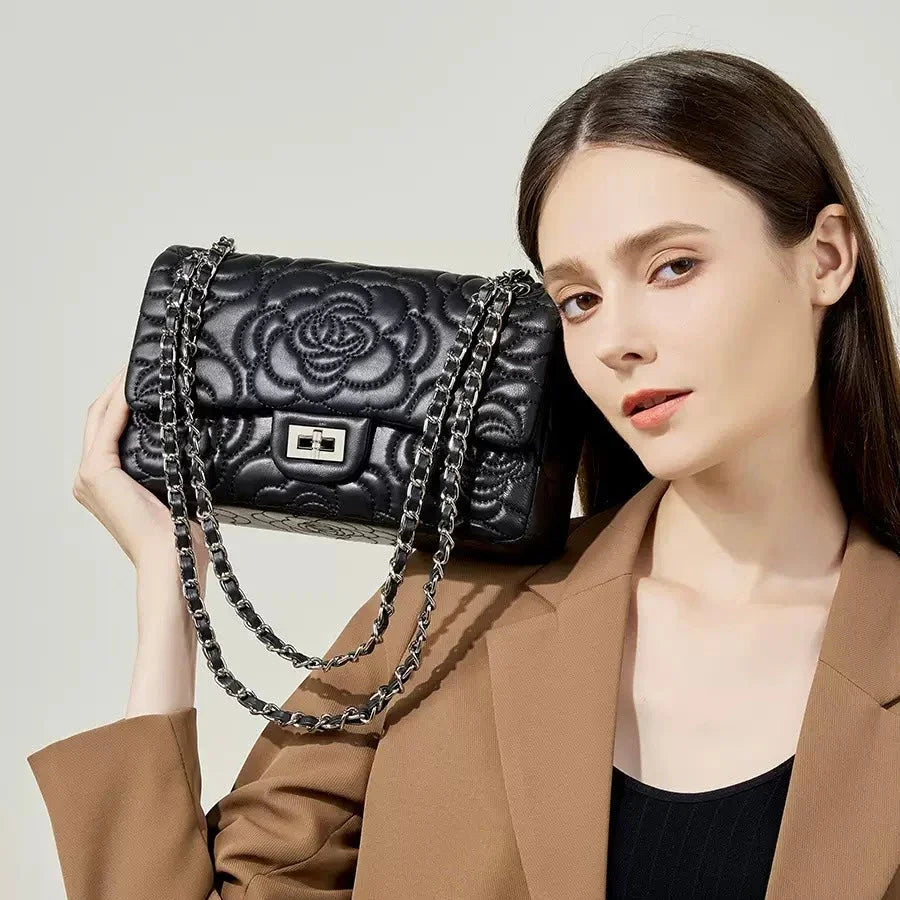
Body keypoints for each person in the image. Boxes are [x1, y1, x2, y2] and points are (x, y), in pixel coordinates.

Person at [27, 48, 900, 900]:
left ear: (825, 258)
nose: (615, 339)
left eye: (673, 266)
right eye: (578, 299)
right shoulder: (447, 618)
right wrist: (167, 588)